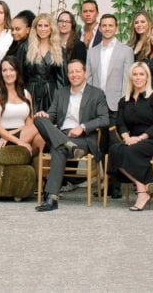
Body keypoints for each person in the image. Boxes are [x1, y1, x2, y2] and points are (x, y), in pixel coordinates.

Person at [33, 59, 109, 212]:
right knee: (39, 119)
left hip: (83, 139)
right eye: (71, 72)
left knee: (57, 148)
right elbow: (52, 116)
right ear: (67, 75)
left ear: (85, 73)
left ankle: (51, 198)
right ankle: (65, 144)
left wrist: (83, 127)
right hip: (62, 135)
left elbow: (105, 119)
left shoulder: (97, 93)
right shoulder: (61, 93)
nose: (74, 75)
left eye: (78, 71)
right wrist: (44, 114)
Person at [107, 62, 153, 211]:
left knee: (129, 151)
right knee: (115, 149)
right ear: (130, 77)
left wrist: (140, 138)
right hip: (132, 139)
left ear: (147, 77)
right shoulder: (124, 100)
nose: (138, 77)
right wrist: (127, 138)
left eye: (141, 74)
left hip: (152, 139)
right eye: (135, 74)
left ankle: (141, 193)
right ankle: (145, 185)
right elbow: (120, 123)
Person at [86, 14, 135, 198]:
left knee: (116, 145)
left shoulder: (126, 50)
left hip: (116, 105)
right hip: (98, 106)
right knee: (102, 145)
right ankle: (103, 183)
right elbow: (89, 78)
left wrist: (124, 104)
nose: (107, 28)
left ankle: (115, 185)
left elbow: (127, 79)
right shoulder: (92, 52)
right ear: (100, 28)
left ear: (116, 28)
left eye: (110, 25)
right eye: (104, 25)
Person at [0, 56, 41, 154]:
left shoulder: (26, 94)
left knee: (42, 130)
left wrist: (11, 133)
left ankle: (39, 165)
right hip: (1, 137)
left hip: (23, 134)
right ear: (1, 74)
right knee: (42, 123)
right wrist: (19, 141)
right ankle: (67, 146)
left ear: (17, 72)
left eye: (12, 69)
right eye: (4, 70)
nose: (8, 74)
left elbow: (29, 125)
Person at [18, 13, 66, 113]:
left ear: (51, 28)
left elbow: (62, 79)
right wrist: (21, 96)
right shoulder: (25, 47)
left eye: (46, 25)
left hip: (52, 94)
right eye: (39, 25)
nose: (43, 29)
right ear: (35, 28)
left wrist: (60, 101)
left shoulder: (59, 49)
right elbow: (19, 74)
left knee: (49, 125)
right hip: (30, 93)